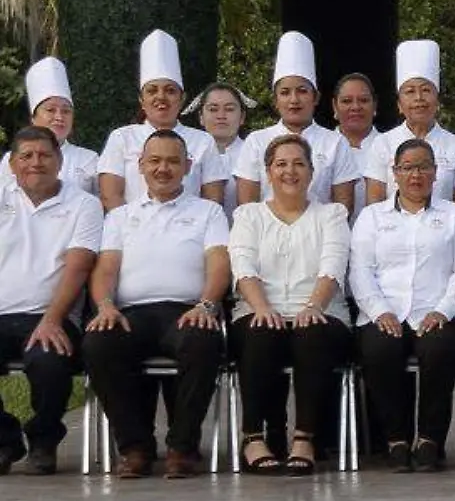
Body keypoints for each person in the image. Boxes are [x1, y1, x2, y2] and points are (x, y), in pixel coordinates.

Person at [83, 130, 229, 479]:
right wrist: (104, 305)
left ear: (188, 166)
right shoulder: (119, 216)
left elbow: (220, 262)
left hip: (187, 310)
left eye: (173, 161)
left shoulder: (208, 212)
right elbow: (106, 268)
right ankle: (134, 447)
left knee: (203, 342)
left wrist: (207, 304)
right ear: (141, 166)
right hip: (131, 313)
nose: (163, 168)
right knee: (98, 344)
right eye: (155, 161)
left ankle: (183, 446)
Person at [348, 138, 455, 473]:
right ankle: (395, 439)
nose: (416, 174)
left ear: (435, 173)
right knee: (380, 351)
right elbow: (360, 270)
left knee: (440, 350)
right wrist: (380, 311)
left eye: (424, 166)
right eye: (408, 167)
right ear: (395, 173)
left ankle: (430, 440)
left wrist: (444, 310)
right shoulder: (371, 216)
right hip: (383, 312)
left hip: (436, 310)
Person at [227, 134, 353, 476]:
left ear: (312, 172)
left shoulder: (331, 214)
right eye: (281, 164)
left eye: (299, 163)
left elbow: (333, 265)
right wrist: (261, 306)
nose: (290, 171)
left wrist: (313, 306)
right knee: (258, 331)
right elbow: (243, 266)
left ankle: (304, 439)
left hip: (321, 311)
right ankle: (253, 437)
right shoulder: (248, 215)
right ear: (268, 172)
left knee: (312, 333)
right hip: (259, 308)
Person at [0, 127, 103, 475]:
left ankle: (44, 440)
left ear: (59, 161)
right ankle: (4, 439)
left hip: (53, 316)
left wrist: (52, 318)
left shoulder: (84, 205)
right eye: (26, 156)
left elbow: (79, 266)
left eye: (44, 155)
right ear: (12, 164)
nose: (35, 163)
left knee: (49, 361)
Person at [96, 30, 227, 210]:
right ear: (141, 101)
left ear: (182, 99)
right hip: (132, 231)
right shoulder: (122, 138)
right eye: (152, 90)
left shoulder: (203, 141)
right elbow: (110, 196)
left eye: (170, 90)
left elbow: (213, 199)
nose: (161, 97)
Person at [232, 32, 359, 210]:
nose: (294, 100)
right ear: (275, 101)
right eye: (285, 93)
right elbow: (246, 207)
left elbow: (343, 208)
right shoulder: (256, 141)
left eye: (302, 91)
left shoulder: (335, 143)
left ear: (316, 97)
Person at [362, 41, 455, 208]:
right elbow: (373, 207)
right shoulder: (383, 144)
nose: (419, 98)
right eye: (410, 91)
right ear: (399, 104)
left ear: (437, 100)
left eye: (426, 90)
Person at [3, 57, 100, 195]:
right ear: (33, 118)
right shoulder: (11, 159)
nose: (59, 117)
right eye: (50, 110)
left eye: (66, 111)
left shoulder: (89, 159)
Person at [188, 82, 254, 218]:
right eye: (213, 109)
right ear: (201, 117)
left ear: (242, 117)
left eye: (229, 109)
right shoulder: (187, 154)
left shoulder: (254, 152)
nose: (221, 116)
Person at [333, 72, 378, 215]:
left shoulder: (391, 146)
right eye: (346, 101)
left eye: (364, 100)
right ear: (334, 106)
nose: (355, 107)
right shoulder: (322, 147)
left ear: (374, 105)